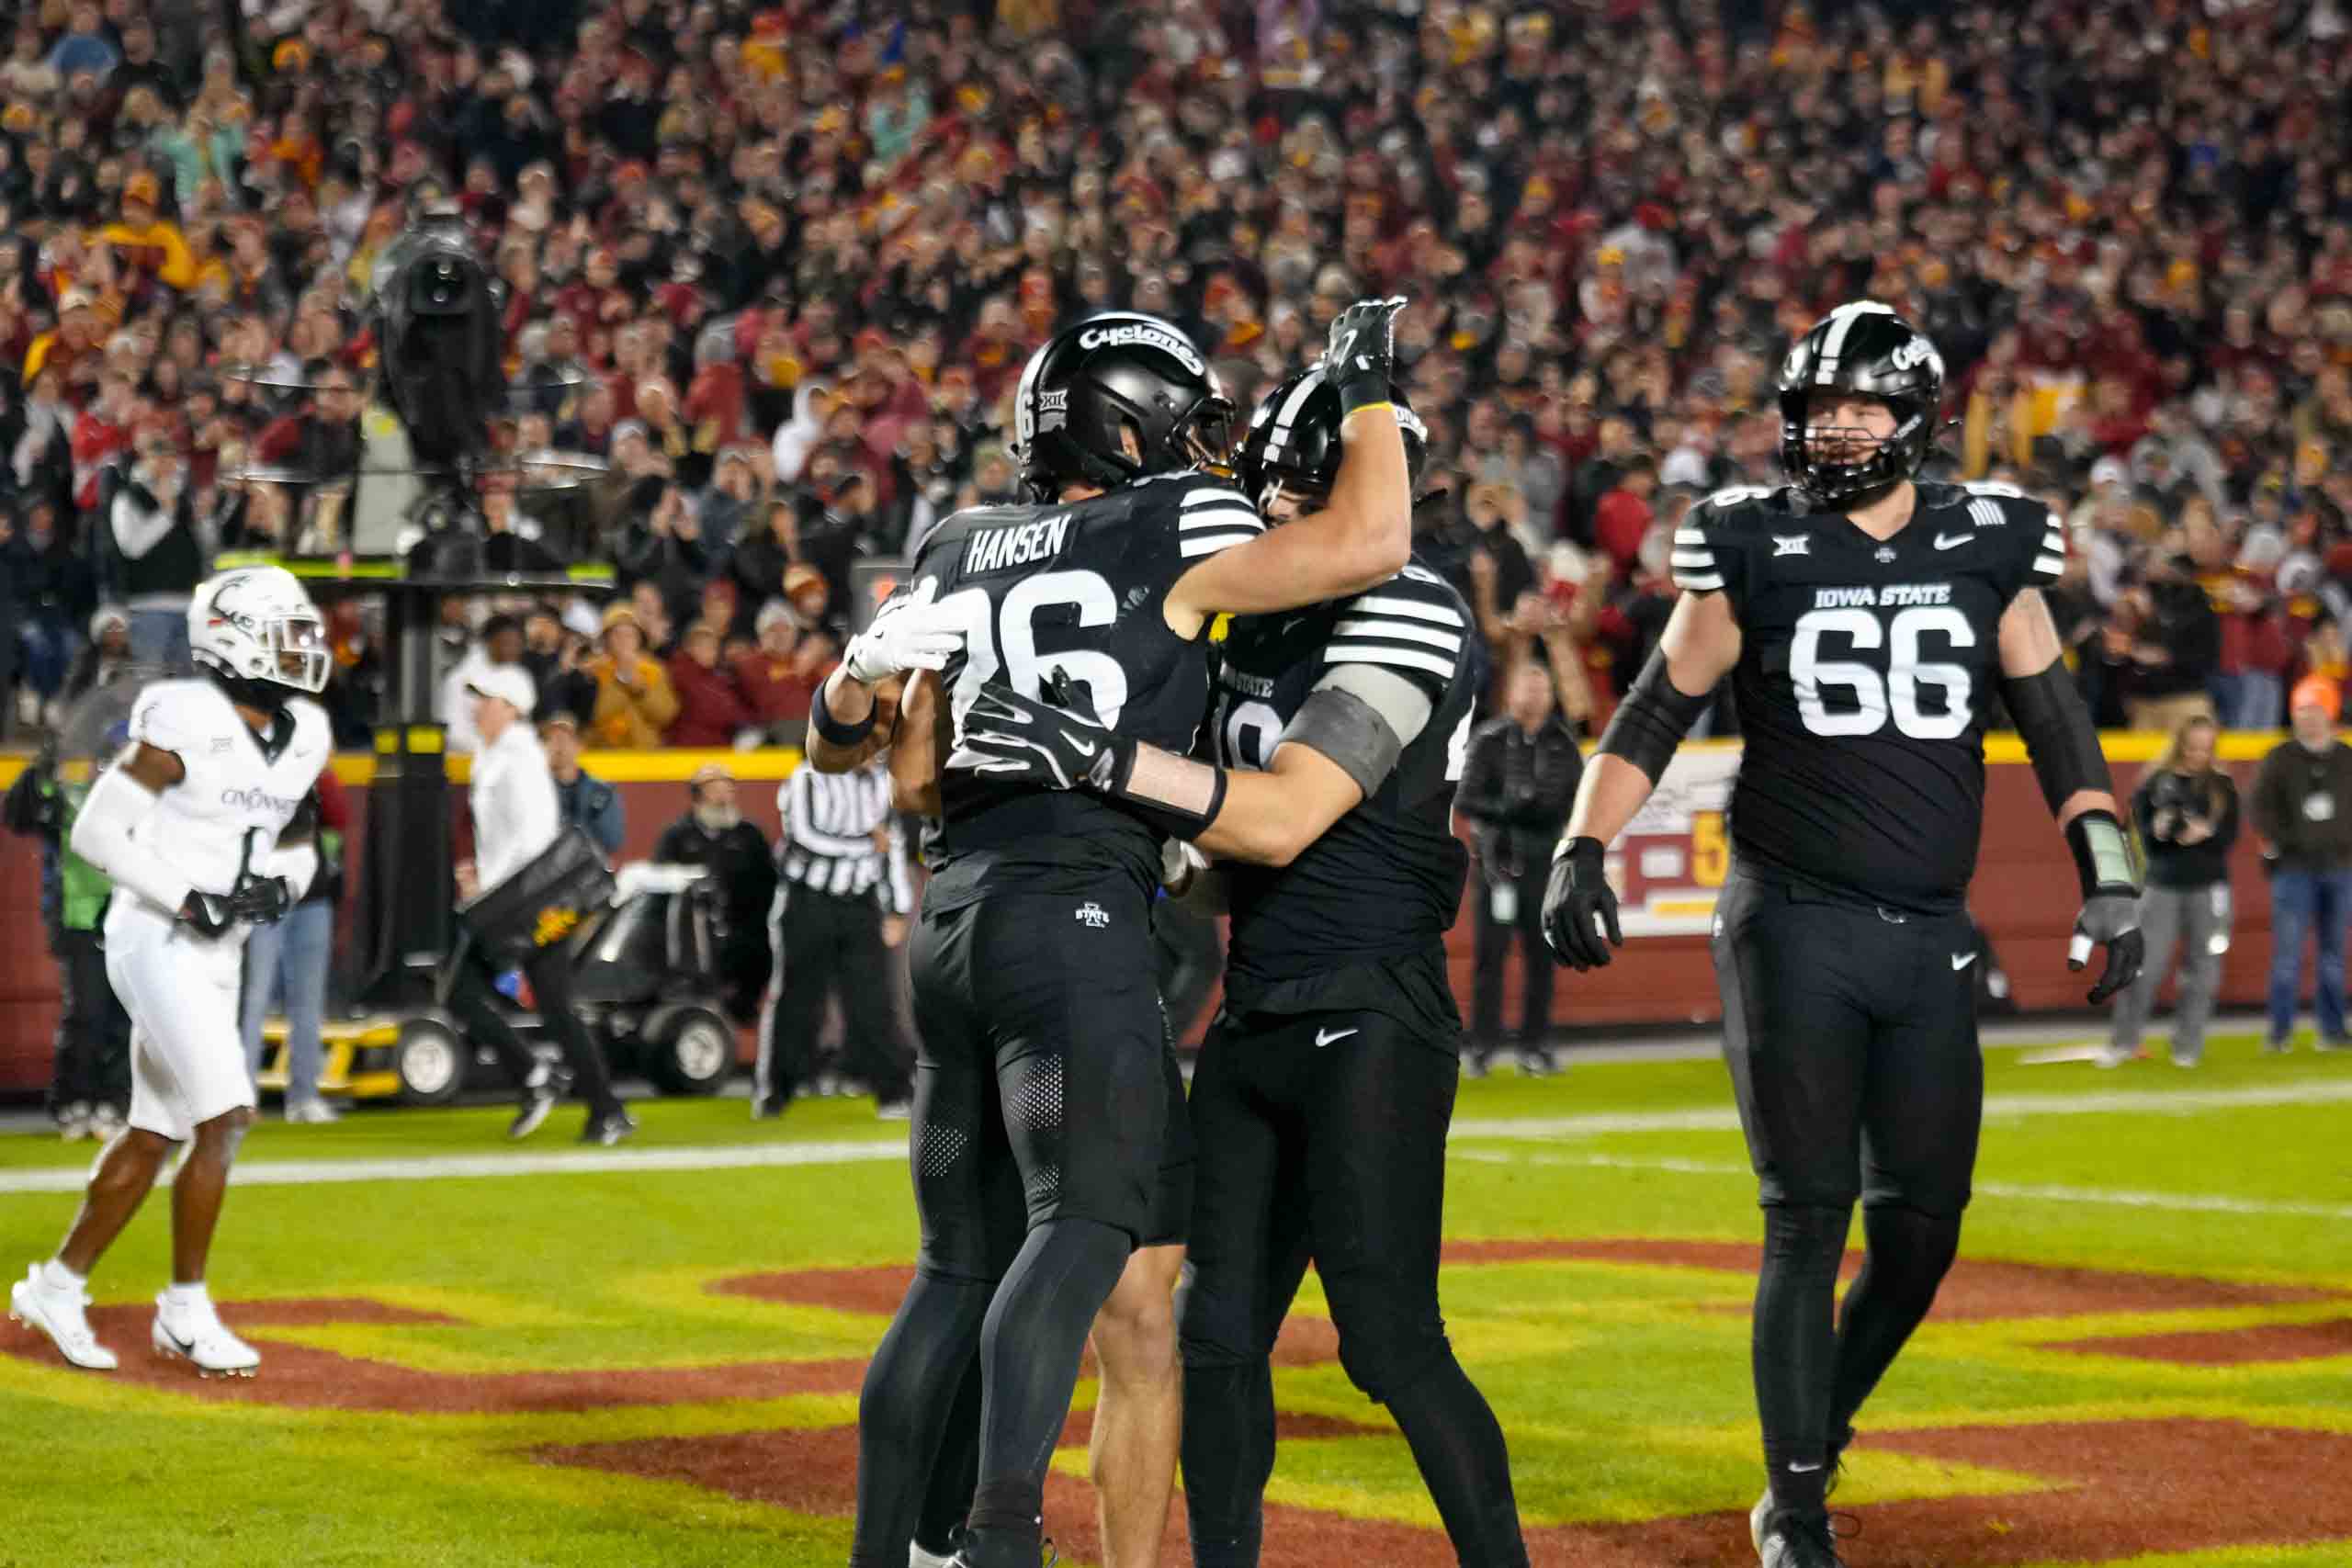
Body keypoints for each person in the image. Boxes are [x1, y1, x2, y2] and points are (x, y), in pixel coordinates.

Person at [808, 302, 1414, 1568]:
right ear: (1127, 421)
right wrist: (1366, 394)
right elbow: (1374, 539)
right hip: (1072, 916)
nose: (1203, 454)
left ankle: (888, 1553)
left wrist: (849, 682)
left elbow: (908, 771)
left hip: (952, 909)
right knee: (1082, 1225)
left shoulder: (955, 543)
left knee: (953, 1265)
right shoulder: (1178, 519)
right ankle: (1000, 1534)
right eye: (1181, 423)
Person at [1538, 304, 2144, 1568]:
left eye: (1862, 406)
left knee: (1922, 1227)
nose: (1837, 427)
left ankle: (1823, 1416)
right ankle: (1796, 1505)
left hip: (1929, 926)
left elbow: (2057, 722)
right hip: (1792, 916)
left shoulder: (1988, 537)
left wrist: (2112, 872)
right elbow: (1651, 714)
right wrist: (1579, 843)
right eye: (1819, 408)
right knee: (1806, 1216)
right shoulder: (1754, 542)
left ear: (1916, 417)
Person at [945, 366, 1528, 1568]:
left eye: (1289, 466)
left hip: (1371, 1006)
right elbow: (1210, 856)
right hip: (1257, 1008)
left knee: (1387, 1340)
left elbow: (1275, 819)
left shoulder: (1410, 603)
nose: (1262, 487)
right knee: (1210, 1338)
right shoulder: (1239, 614)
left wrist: (1104, 762)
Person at [13, 565, 334, 1376]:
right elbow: (96, 832)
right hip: (153, 934)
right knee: (226, 1111)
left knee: (156, 1128)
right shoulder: (186, 714)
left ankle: (57, 1283)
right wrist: (189, 898)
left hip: (217, 950)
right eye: (288, 632)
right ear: (234, 638)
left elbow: (302, 845)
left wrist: (278, 885)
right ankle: (185, 1310)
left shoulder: (305, 731)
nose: (306, 648)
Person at [449, 665, 634, 1145]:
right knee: (542, 1003)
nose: (477, 707)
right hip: (512, 900)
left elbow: (533, 838)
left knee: (476, 992)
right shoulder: (491, 755)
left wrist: (486, 888)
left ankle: (570, 1092)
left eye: (486, 699)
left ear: (511, 707)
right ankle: (562, 1088)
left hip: (532, 902)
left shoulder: (522, 757)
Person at [752, 755, 915, 1120]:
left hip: (860, 903)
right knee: (796, 999)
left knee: (874, 1000)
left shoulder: (880, 782)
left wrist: (898, 907)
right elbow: (807, 837)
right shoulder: (807, 778)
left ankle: (894, 1091)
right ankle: (775, 1090)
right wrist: (869, 843)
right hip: (806, 901)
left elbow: (894, 843)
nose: (875, 750)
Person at [1455, 658, 1584, 1075]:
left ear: (1551, 695)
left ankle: (1535, 1045)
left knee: (1541, 959)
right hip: (1498, 865)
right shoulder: (1488, 740)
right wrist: (1509, 810)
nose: (1534, 696)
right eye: (1527, 687)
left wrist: (1544, 812)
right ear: (1511, 694)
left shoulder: (1563, 745)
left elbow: (1576, 803)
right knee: (1489, 960)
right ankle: (1483, 1046)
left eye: (1541, 688)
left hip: (1545, 864)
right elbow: (1466, 799)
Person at [3, 729, 130, 1140]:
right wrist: (40, 768)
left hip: (131, 921)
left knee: (126, 1017)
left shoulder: (149, 807)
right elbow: (18, 814)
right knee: (87, 1014)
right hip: (81, 918)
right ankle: (75, 1099)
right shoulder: (71, 798)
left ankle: (114, 1100)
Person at [2102, 715, 2238, 1067]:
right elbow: (2142, 839)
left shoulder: (2222, 785)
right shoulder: (2154, 782)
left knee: (2203, 971)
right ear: (2179, 743)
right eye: (2193, 746)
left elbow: (2229, 839)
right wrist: (2160, 831)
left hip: (2209, 888)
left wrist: (2205, 832)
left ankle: (2187, 1047)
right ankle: (2124, 1041)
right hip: (2163, 886)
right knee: (2143, 966)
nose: (2198, 754)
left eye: (2206, 747)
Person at [239, 769, 351, 1121]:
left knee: (308, 1000)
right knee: (254, 998)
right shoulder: (247, 761)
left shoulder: (309, 765)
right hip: (261, 892)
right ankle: (241, 1099)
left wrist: (322, 771)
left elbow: (340, 815)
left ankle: (304, 1095)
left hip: (312, 895)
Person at [2249, 675, 2352, 1053]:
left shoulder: (2346, 759)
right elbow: (2259, 806)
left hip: (2341, 867)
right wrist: (2284, 841)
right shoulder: (2280, 758)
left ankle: (2333, 1029)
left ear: (2331, 713)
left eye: (2315, 710)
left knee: (2334, 954)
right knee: (2288, 954)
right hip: (2294, 868)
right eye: (2302, 711)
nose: (2308, 719)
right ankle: (2279, 1032)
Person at [651, 761, 776, 1025]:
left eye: (727, 789)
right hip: (690, 934)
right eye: (714, 789)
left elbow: (769, 883)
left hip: (743, 932)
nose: (723, 796)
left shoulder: (750, 835)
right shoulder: (677, 835)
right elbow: (659, 884)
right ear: (697, 796)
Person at [541, 711, 624, 857]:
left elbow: (612, 840)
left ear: (579, 746)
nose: (559, 746)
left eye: (566, 739)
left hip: (587, 869)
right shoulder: (534, 790)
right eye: (552, 739)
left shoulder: (601, 792)